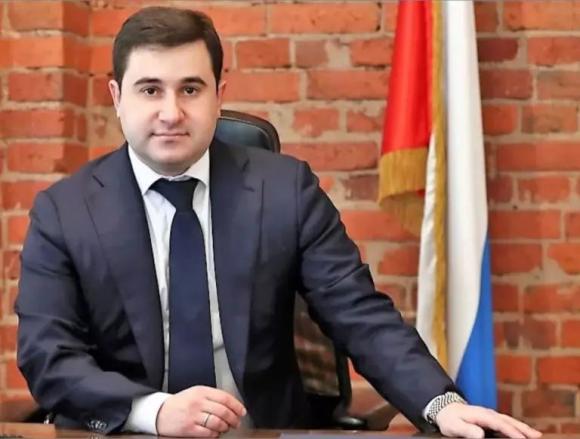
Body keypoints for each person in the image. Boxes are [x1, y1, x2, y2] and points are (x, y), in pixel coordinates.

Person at [16, 6, 541, 439]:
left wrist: (442, 404)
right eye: (150, 90)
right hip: (127, 432)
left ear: (220, 93)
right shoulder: (64, 211)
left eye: (191, 89)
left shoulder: (285, 190)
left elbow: (359, 313)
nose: (171, 112)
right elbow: (48, 356)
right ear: (116, 97)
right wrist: (153, 411)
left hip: (262, 432)